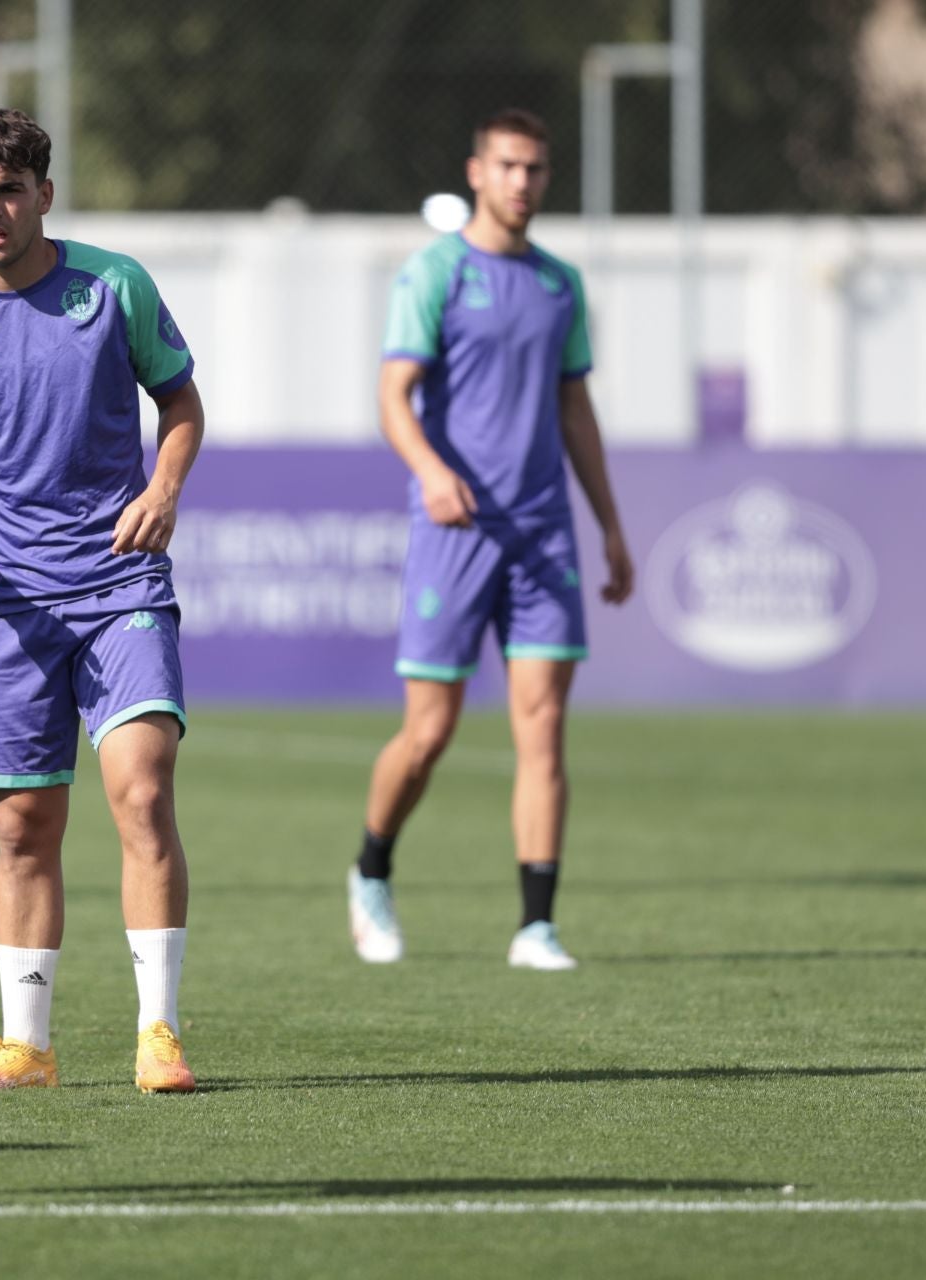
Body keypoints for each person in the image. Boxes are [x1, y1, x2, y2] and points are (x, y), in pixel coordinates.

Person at [0, 110, 205, 1094]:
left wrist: (161, 490)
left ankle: (160, 1032)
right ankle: (26, 1046)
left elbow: (181, 404)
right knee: (22, 826)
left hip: (119, 584)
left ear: (44, 196)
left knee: (143, 793)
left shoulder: (114, 286)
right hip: (10, 605)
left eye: (11, 188)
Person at [347, 109, 633, 971]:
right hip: (455, 531)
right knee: (428, 732)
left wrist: (611, 524)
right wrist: (433, 472)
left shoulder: (560, 285)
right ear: (477, 172)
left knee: (543, 728)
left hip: (543, 532)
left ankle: (537, 925)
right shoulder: (434, 273)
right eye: (508, 166)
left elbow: (574, 408)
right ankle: (371, 869)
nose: (522, 182)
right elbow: (395, 394)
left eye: (536, 168)